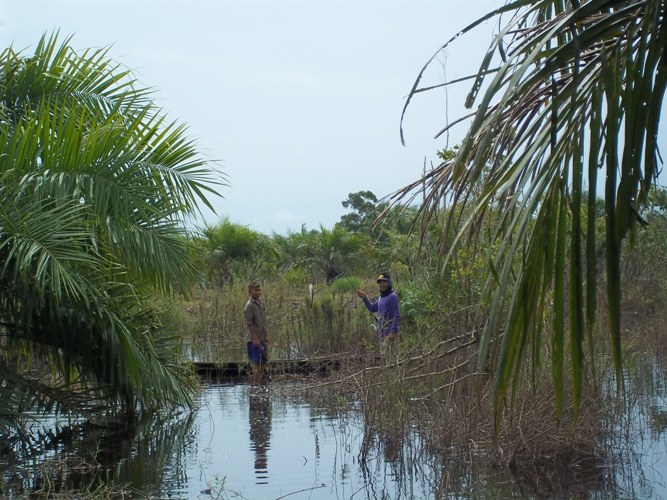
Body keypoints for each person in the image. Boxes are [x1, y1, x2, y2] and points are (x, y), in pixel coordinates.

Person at [357, 273, 400, 346]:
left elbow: (396, 316)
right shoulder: (380, 298)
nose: (381, 285)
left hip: (389, 334)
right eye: (380, 283)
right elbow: (372, 308)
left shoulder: (393, 297)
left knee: (389, 355)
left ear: (389, 283)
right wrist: (364, 298)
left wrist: (392, 332)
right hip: (382, 334)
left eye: (384, 282)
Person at [244, 281, 269, 384]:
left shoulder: (261, 304)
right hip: (254, 340)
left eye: (259, 290)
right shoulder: (249, 306)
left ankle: (262, 386)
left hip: (262, 339)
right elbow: (250, 324)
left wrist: (266, 335)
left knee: (263, 364)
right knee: (257, 366)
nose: (258, 292)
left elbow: (263, 321)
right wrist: (255, 339)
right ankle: (256, 388)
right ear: (250, 292)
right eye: (256, 290)